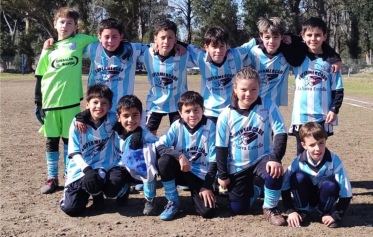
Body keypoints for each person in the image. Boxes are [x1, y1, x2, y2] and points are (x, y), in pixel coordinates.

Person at [34, 7, 98, 194]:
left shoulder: (80, 41)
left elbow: (104, 38)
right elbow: (40, 75)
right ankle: (52, 178)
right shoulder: (49, 47)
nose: (65, 25)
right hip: (50, 102)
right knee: (51, 140)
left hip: (70, 102)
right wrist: (38, 102)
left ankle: (70, 175)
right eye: (62, 22)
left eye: (70, 23)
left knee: (70, 141)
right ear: (55, 24)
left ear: (76, 26)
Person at [216, 67, 288, 226]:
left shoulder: (268, 105)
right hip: (238, 166)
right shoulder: (226, 115)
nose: (249, 94)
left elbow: (281, 133)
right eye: (244, 89)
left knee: (274, 171)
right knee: (238, 208)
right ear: (235, 88)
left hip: (262, 159)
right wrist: (222, 175)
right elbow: (221, 148)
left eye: (253, 89)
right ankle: (257, 188)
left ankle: (270, 207)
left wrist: (275, 158)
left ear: (259, 88)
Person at [245, 16, 342, 108]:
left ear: (282, 37)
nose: (271, 41)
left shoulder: (286, 52)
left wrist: (334, 57)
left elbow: (314, 43)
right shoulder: (252, 52)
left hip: (273, 107)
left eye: (276, 37)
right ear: (261, 36)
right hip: (250, 104)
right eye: (267, 37)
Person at [154, 91, 217, 220]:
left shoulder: (211, 127)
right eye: (187, 111)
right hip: (182, 170)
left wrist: (206, 185)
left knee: (207, 212)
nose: (192, 115)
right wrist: (179, 156)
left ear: (203, 109)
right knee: (164, 161)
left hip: (201, 174)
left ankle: (202, 192)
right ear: (180, 113)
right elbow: (159, 146)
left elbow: (214, 160)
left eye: (196, 110)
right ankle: (173, 201)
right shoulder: (176, 126)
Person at [288, 17, 344, 155]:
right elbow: (284, 40)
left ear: (324, 36)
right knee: (302, 152)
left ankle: (319, 176)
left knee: (318, 150)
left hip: (322, 116)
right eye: (309, 35)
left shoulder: (330, 62)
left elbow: (338, 88)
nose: (313, 39)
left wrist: (334, 109)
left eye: (318, 35)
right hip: (301, 116)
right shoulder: (298, 57)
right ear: (303, 36)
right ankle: (300, 176)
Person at [59, 85, 118, 216]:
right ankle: (86, 191)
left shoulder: (113, 119)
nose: (99, 106)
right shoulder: (77, 122)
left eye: (104, 103)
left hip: (102, 166)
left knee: (110, 185)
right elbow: (73, 151)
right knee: (71, 209)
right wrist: (86, 170)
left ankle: (97, 195)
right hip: (80, 168)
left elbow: (130, 116)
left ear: (110, 106)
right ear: (87, 104)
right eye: (95, 102)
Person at [281, 122, 352, 228]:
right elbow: (284, 185)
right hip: (306, 196)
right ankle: (303, 210)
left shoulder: (334, 160)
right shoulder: (299, 161)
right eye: (312, 145)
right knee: (297, 177)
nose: (317, 148)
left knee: (330, 184)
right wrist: (290, 210)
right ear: (303, 145)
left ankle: (323, 212)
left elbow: (346, 190)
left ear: (325, 140)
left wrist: (336, 215)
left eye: (321, 143)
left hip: (324, 196)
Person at [187, 27, 257, 124]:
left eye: (221, 46)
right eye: (214, 46)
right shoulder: (200, 58)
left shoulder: (236, 54)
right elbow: (187, 47)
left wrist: (285, 38)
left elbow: (254, 42)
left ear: (227, 46)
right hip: (210, 112)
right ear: (206, 47)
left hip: (233, 109)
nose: (218, 50)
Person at [84, 18, 149, 113]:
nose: (110, 41)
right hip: (97, 107)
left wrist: (178, 44)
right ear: (99, 37)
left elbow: (158, 47)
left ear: (121, 37)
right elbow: (71, 48)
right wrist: (53, 40)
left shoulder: (132, 49)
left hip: (121, 109)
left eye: (114, 37)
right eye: (106, 37)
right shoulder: (92, 48)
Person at [141, 19, 194, 136]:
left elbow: (202, 52)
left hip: (178, 103)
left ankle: (176, 154)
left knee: (179, 135)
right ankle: (152, 153)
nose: (166, 41)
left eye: (170, 38)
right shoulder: (147, 53)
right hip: (155, 103)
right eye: (162, 37)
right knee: (148, 135)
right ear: (155, 38)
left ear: (175, 39)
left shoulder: (183, 55)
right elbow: (126, 46)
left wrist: (183, 44)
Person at [113, 95, 159, 215]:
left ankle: (150, 199)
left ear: (141, 116)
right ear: (118, 117)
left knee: (149, 159)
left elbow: (158, 143)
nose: (130, 120)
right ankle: (123, 190)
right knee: (111, 189)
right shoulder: (113, 132)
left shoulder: (144, 134)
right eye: (126, 116)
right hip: (120, 169)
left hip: (139, 170)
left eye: (135, 115)